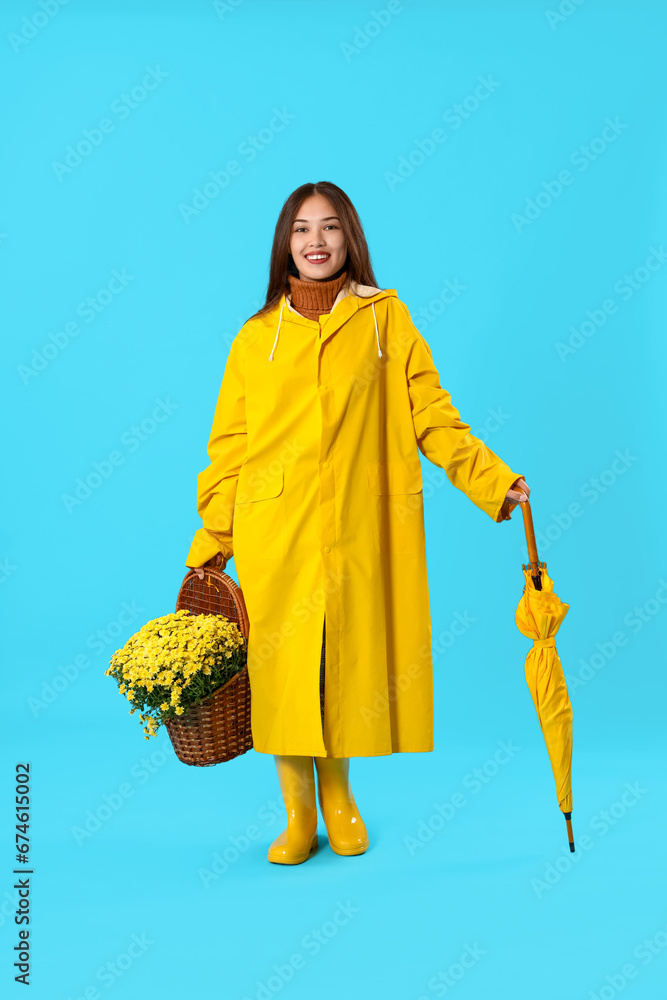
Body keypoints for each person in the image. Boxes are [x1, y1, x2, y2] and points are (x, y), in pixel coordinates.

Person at [186, 181, 529, 865]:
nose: (315, 242)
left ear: (350, 238)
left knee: (340, 666)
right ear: (285, 243)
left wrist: (491, 479)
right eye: (301, 229)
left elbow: (431, 415)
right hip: (272, 530)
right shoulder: (255, 338)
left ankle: (339, 799)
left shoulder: (385, 321)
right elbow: (229, 447)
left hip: (357, 529)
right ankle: (296, 816)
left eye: (330, 228)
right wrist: (213, 543)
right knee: (281, 672)